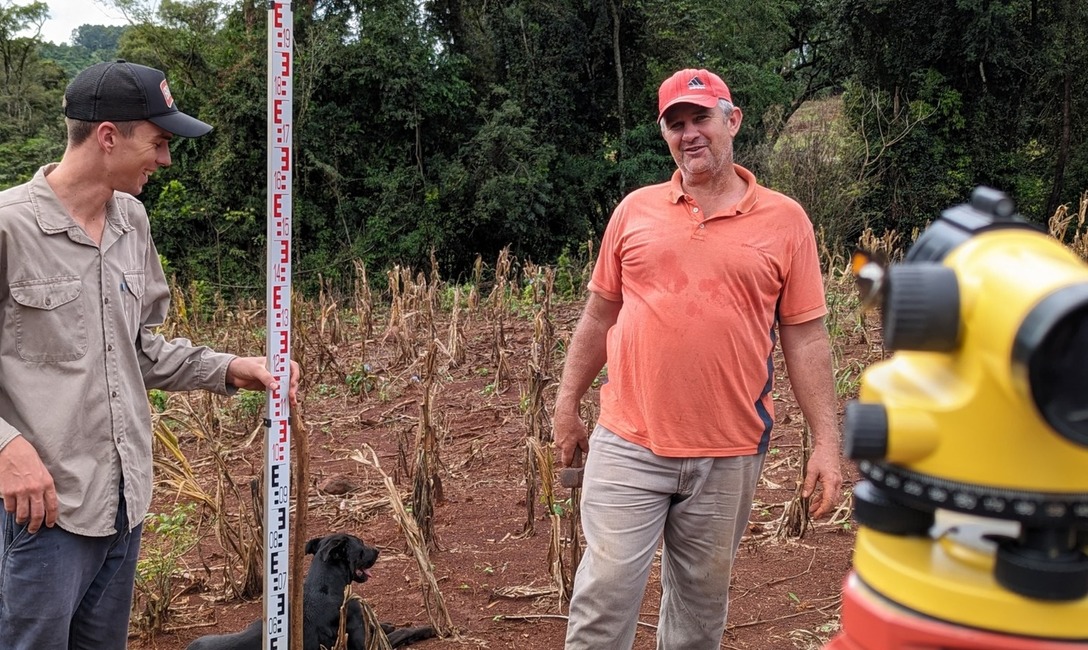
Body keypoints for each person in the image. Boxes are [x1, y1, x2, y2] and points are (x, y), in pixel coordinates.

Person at [0, 60, 301, 649]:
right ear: (108, 136)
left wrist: (235, 369)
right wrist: (6, 446)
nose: (165, 159)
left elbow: (141, 350)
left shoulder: (131, 222)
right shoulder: (9, 228)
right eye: (158, 142)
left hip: (122, 502)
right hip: (43, 510)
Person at [553, 68, 843, 650]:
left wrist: (826, 443)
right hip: (629, 438)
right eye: (675, 124)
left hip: (729, 450)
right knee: (603, 595)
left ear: (732, 121)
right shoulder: (634, 210)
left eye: (700, 118)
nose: (689, 134)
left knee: (698, 611)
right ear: (664, 135)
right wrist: (567, 404)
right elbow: (598, 314)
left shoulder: (786, 221)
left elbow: (806, 338)